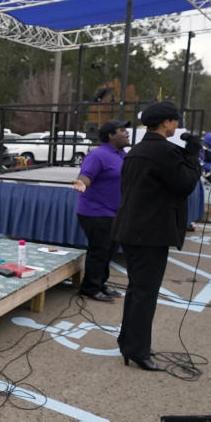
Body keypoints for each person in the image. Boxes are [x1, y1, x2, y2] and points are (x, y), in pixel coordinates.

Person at [111, 101, 202, 371]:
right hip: (149, 232)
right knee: (145, 293)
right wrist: (193, 156)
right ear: (165, 123)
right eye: (175, 121)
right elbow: (185, 184)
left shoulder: (137, 150)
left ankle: (130, 343)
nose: (177, 126)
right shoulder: (163, 151)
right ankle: (137, 350)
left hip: (133, 228)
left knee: (138, 290)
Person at [71, 119, 130, 302]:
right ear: (111, 135)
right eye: (122, 130)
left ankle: (100, 284)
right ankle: (90, 288)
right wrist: (82, 183)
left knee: (109, 250)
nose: (127, 133)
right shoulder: (97, 155)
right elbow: (86, 176)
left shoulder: (122, 155)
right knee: (99, 250)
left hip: (113, 212)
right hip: (95, 212)